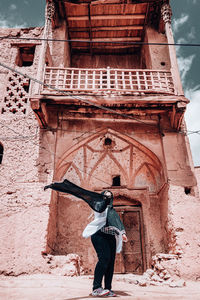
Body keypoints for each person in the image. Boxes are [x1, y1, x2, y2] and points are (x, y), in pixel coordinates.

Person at [82, 190, 128, 297]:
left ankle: (108, 288)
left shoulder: (112, 210)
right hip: (99, 235)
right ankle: (96, 288)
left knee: (110, 263)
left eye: (109, 197)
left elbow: (116, 221)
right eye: (105, 196)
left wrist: (122, 232)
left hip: (111, 236)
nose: (107, 199)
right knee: (104, 259)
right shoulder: (99, 206)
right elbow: (108, 217)